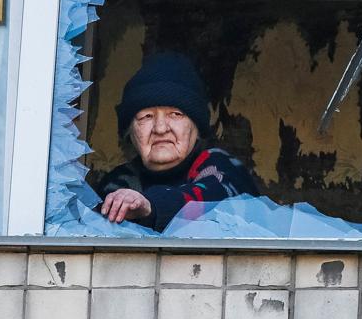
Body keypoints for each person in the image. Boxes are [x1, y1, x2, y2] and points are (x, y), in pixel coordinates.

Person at [95, 52, 258, 232]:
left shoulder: (220, 166)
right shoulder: (118, 182)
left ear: (196, 128)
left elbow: (215, 198)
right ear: (130, 132)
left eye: (176, 114)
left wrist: (150, 206)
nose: (160, 128)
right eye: (146, 116)